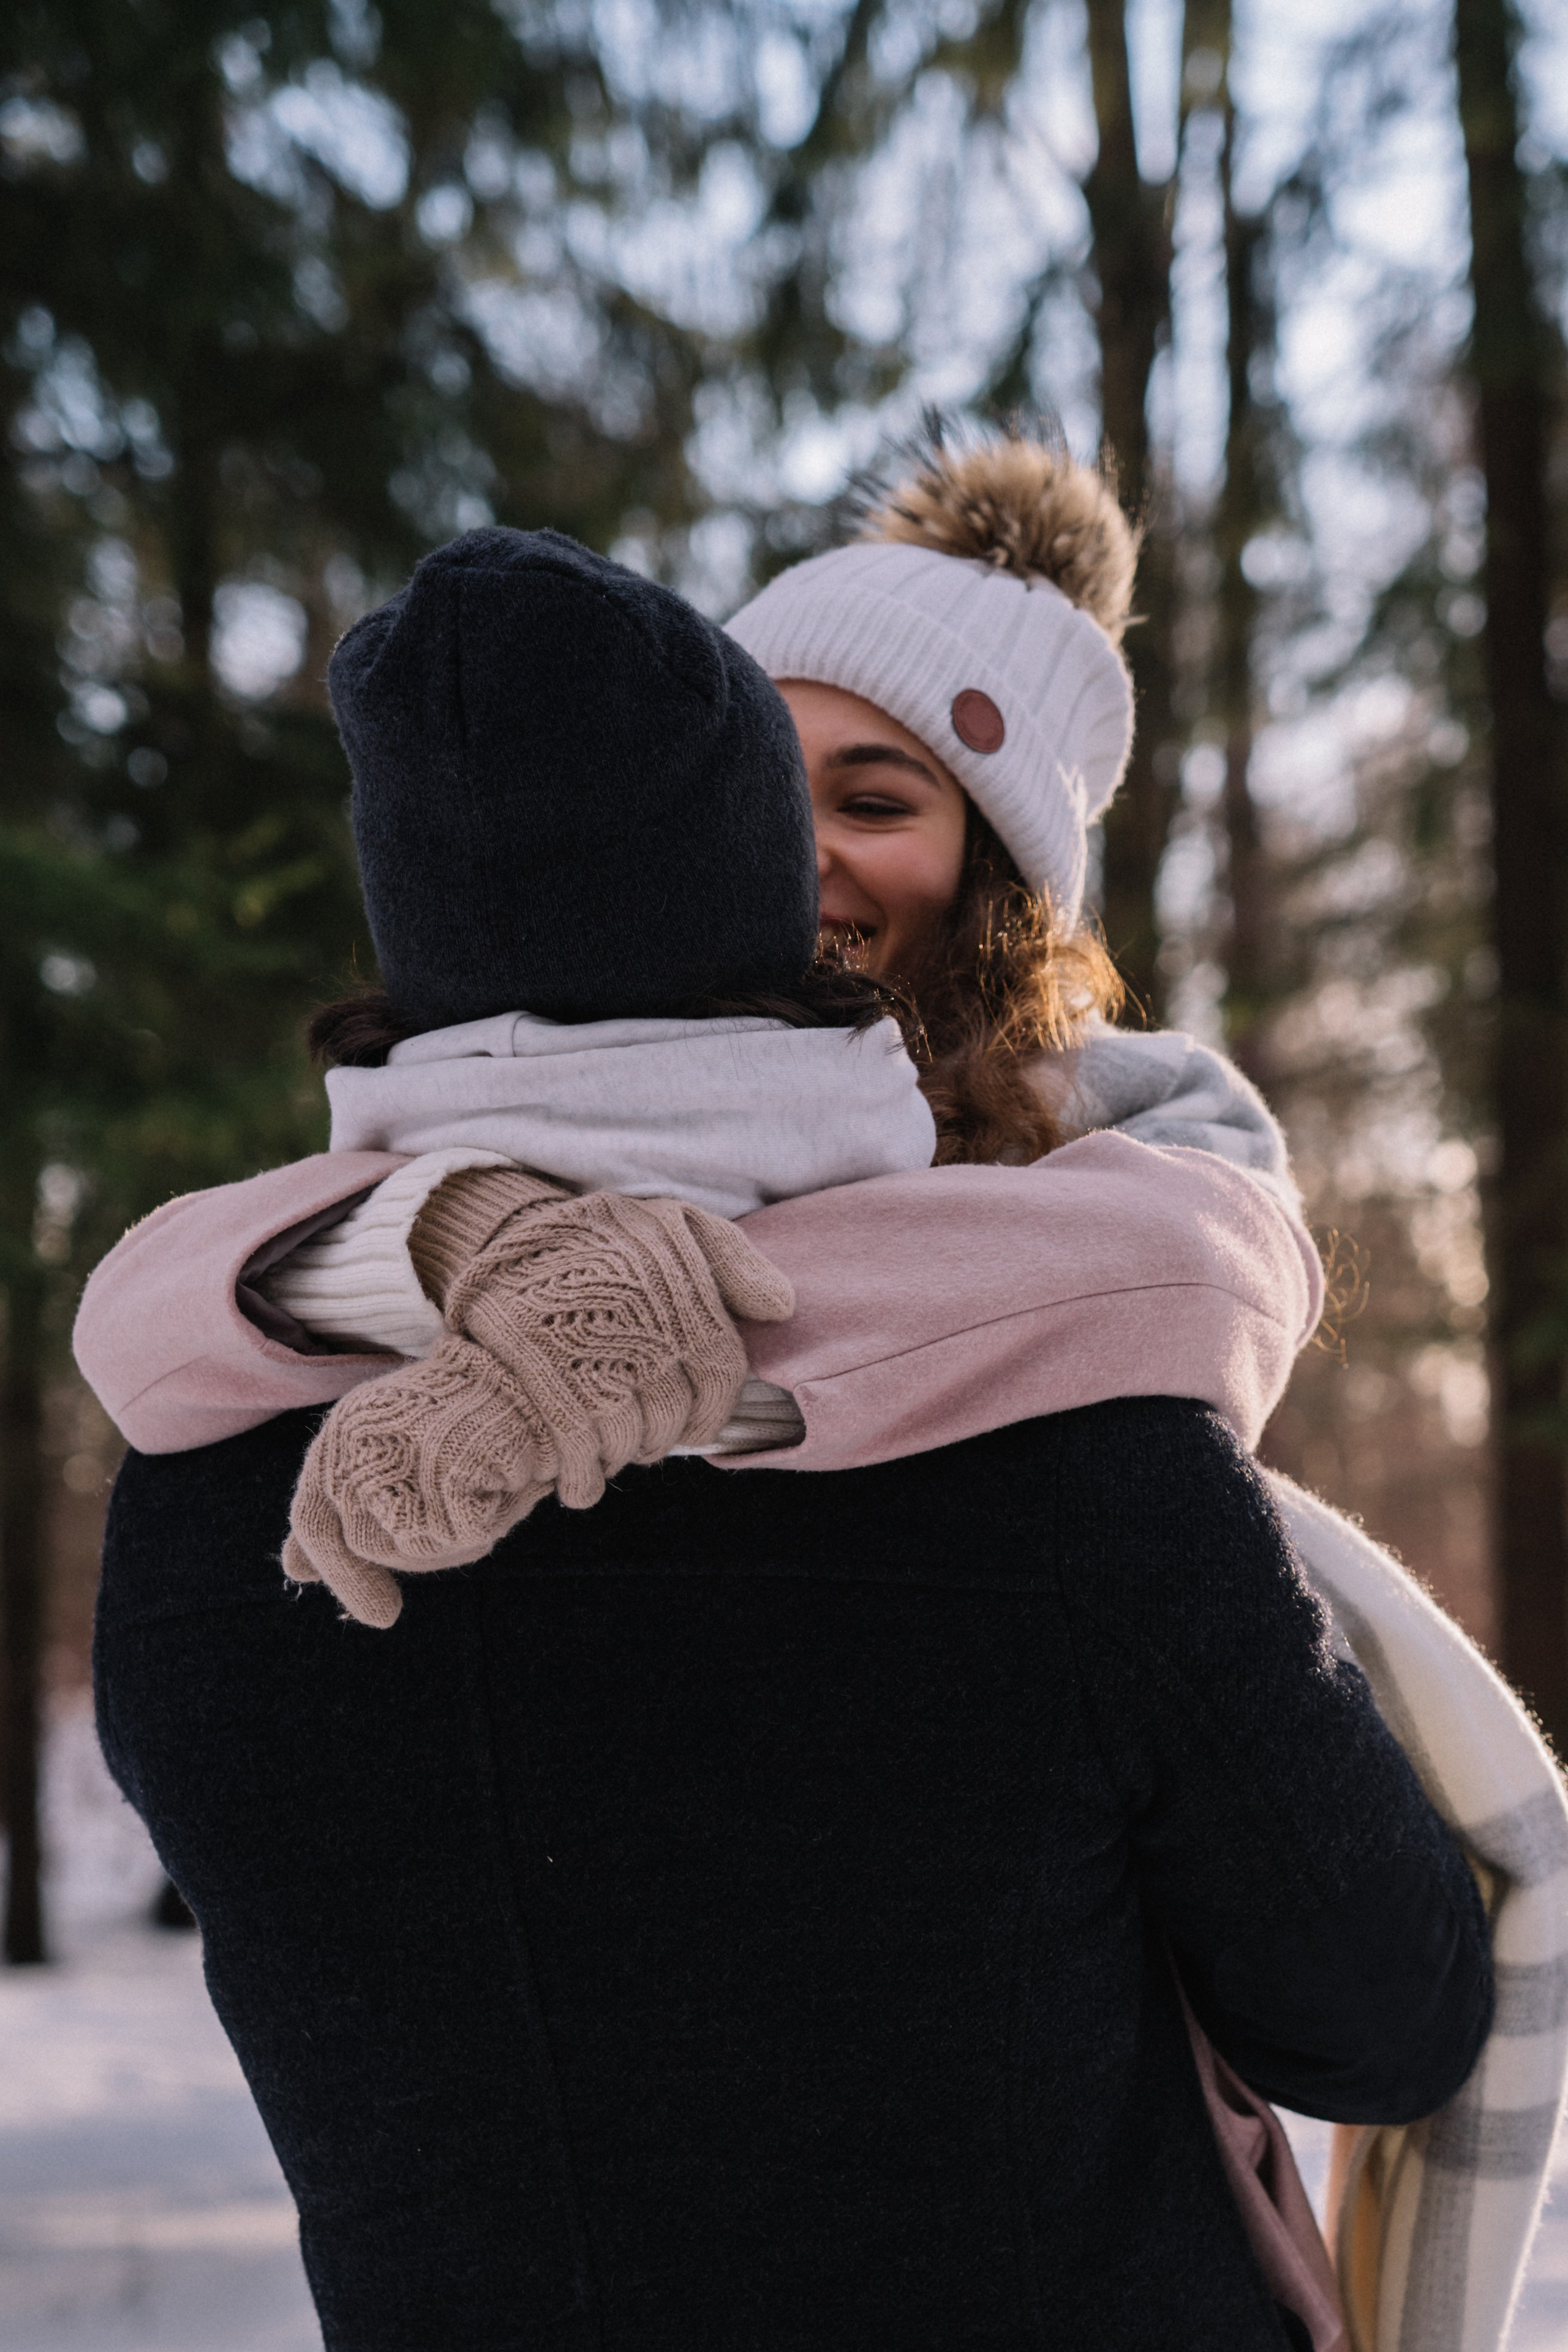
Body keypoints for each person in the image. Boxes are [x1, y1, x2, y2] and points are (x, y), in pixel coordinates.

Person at [87, 517, 1494, 2352]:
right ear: (729, 856)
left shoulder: (204, 1489)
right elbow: (1378, 2015)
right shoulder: (1075, 1433)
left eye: (881, 791)